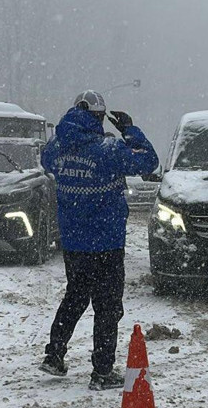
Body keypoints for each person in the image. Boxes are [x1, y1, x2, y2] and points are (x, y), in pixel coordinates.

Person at [39, 90, 159, 390]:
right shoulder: (109, 150)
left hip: (74, 243)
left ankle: (54, 355)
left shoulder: (57, 148)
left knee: (75, 297)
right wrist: (130, 130)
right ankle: (103, 371)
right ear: (97, 116)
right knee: (107, 307)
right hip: (106, 243)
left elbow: (46, 158)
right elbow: (149, 162)